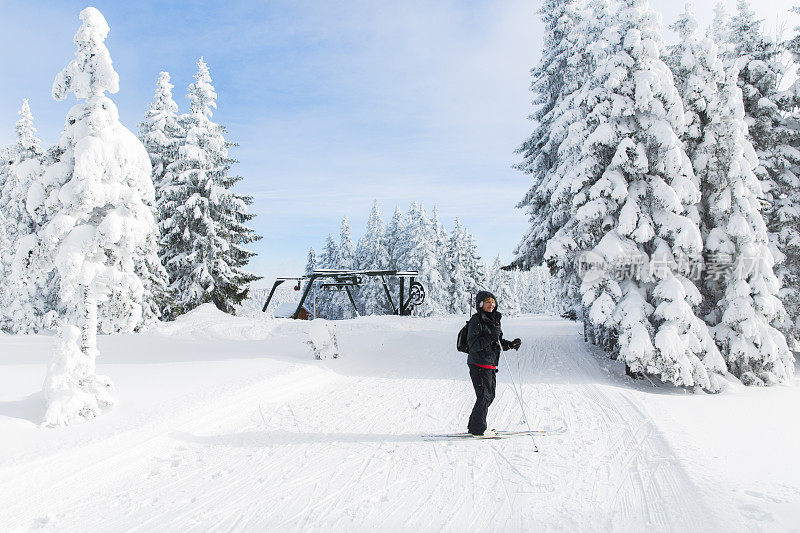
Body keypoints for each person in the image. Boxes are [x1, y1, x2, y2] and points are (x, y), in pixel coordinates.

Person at [466, 290, 521, 436]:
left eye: (492, 302)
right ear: (480, 304)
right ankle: (478, 429)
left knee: (489, 395)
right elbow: (473, 344)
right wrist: (491, 337)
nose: (490, 305)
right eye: (487, 302)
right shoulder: (476, 320)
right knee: (484, 396)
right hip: (478, 363)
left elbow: (497, 342)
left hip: (490, 364)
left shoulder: (495, 319)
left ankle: (474, 426)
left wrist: (511, 344)